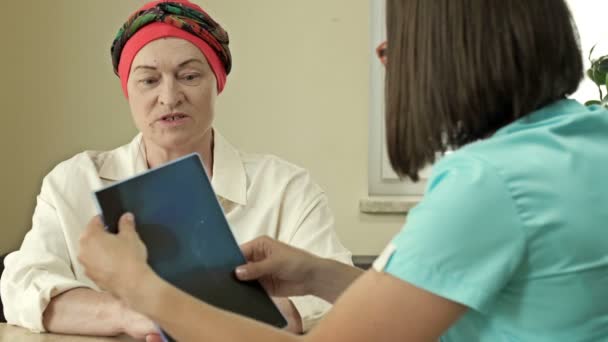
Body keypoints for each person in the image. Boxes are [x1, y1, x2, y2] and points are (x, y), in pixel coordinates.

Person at [77, 0, 608, 340]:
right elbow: (448, 309)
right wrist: (320, 275)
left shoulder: (488, 184)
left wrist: (141, 288)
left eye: (397, 39)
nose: (387, 59)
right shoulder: (585, 141)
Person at [0, 1, 352, 340]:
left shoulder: (287, 189)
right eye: (149, 80)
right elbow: (22, 287)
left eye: (189, 76)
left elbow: (339, 300)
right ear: (128, 91)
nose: (169, 97)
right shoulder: (73, 182)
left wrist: (186, 318)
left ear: (217, 82)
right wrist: (130, 315)